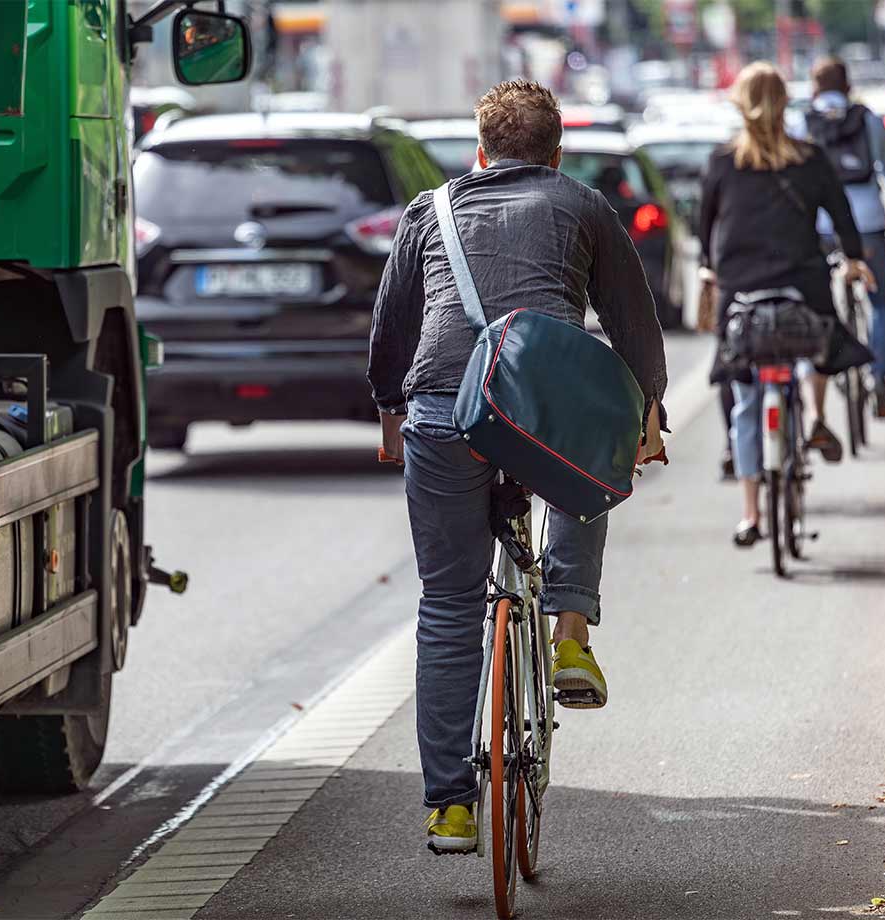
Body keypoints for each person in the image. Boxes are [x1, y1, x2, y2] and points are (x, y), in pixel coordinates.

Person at [367, 79, 667, 854]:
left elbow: (393, 324)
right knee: (586, 450)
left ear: (481, 151)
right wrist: (649, 413)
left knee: (447, 605)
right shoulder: (584, 205)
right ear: (557, 152)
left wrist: (390, 412)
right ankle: (570, 628)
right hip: (539, 403)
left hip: (443, 408)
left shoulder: (428, 210)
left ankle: (452, 809)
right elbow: (633, 319)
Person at [699, 62, 875, 548]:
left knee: (744, 393)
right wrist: (855, 260)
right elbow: (841, 218)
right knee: (824, 338)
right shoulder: (812, 158)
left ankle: (751, 514)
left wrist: (709, 269)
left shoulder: (721, 161)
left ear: (741, 104)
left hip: (741, 292)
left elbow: (705, 227)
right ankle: (815, 417)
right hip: (802, 286)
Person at [807, 56, 885, 418]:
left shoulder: (802, 123)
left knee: (818, 308)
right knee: (881, 304)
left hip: (820, 229)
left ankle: (828, 366)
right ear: (848, 87)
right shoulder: (869, 121)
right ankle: (879, 376)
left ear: (814, 89)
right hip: (866, 224)